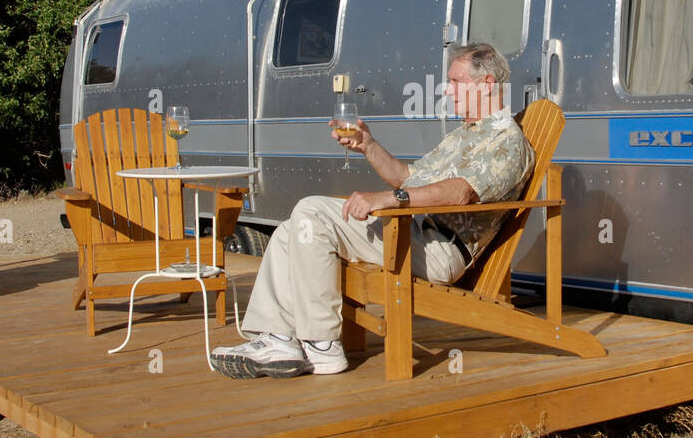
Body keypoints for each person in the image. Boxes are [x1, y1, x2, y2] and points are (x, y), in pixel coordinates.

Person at [211, 42, 534, 379]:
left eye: (456, 81)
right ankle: (278, 337)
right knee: (290, 229)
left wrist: (393, 199)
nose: (447, 90)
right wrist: (369, 145)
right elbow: (408, 177)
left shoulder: (506, 141)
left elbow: (463, 192)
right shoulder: (462, 136)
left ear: (486, 85)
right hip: (412, 231)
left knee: (312, 211)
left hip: (439, 248)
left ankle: (322, 344)